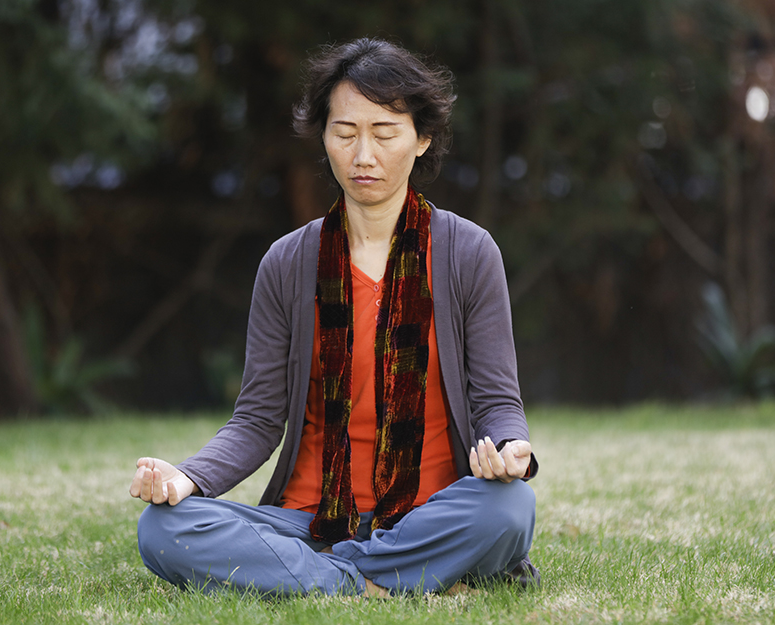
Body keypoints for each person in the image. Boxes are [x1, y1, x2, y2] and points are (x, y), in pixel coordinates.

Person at [129, 37, 539, 597]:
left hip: (431, 510)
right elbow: (257, 419)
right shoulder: (287, 263)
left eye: (384, 133)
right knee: (162, 528)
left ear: (422, 139)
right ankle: (376, 579)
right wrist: (189, 477)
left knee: (511, 508)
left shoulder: (469, 252)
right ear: (324, 140)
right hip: (311, 520)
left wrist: (512, 447)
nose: (363, 155)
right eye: (344, 134)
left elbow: (497, 401)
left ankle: (325, 575)